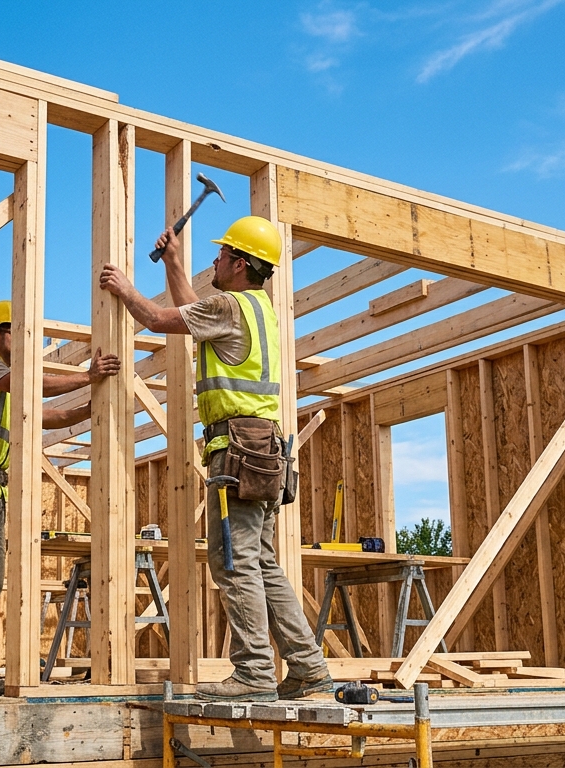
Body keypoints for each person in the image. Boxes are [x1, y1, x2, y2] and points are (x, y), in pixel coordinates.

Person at [98, 216, 333, 702]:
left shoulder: (229, 305)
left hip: (239, 450)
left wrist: (125, 290)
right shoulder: (257, 308)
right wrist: (173, 264)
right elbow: (192, 312)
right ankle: (309, 669)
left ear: (241, 263)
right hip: (265, 448)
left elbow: (164, 320)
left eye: (223, 256)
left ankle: (253, 673)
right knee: (262, 562)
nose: (215, 261)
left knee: (234, 563)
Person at [0, 300, 120, 695]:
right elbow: (29, 382)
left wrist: (91, 408)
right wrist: (86, 376)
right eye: (17, 333)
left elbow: (50, 416)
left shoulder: (5, 386)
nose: (24, 342)